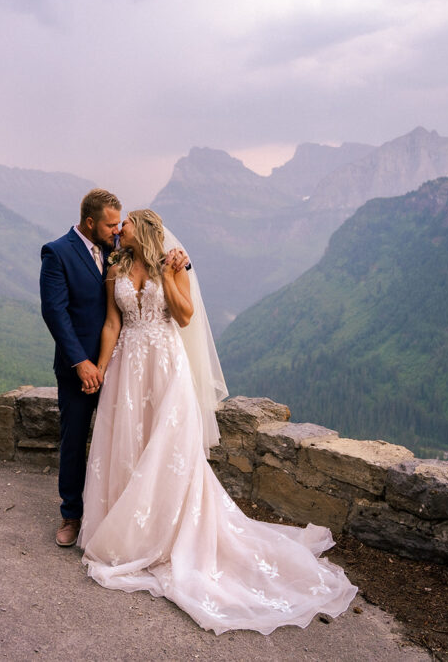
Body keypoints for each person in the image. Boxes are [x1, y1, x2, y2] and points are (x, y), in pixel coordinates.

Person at [77, 209, 358, 635]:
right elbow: (113, 322)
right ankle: (130, 530)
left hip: (165, 367)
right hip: (126, 369)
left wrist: (170, 276)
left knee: (167, 451)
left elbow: (185, 316)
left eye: (127, 223)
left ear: (146, 230)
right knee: (127, 447)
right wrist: (100, 369)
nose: (120, 230)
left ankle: (165, 534)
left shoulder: (174, 263)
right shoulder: (115, 267)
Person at [39, 189, 122, 547]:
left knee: (118, 439)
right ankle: (71, 515)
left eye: (119, 224)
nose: (116, 230)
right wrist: (82, 363)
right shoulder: (57, 252)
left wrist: (182, 259)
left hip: (119, 367)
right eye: (110, 224)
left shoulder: (115, 248)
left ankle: (112, 513)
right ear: (90, 222)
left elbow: (154, 258)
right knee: (73, 440)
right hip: (79, 369)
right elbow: (54, 312)